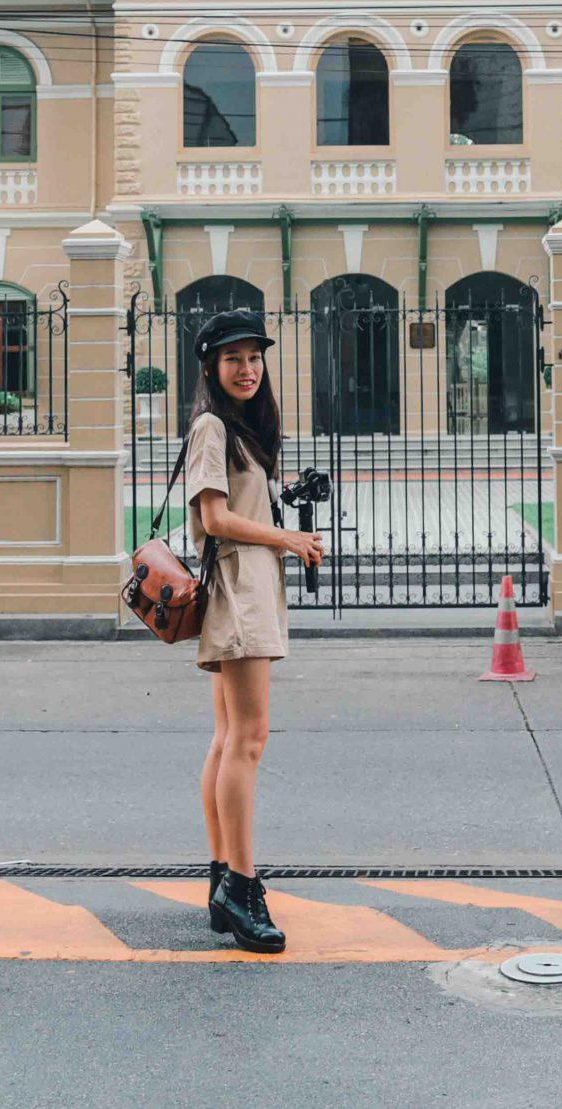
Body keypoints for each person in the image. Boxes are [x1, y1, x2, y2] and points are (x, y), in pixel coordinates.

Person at [182, 308, 324, 953]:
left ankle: (220, 881)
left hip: (248, 586)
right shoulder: (212, 424)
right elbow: (214, 518)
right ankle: (242, 887)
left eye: (256, 358)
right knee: (249, 740)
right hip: (241, 590)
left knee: (226, 738)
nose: (248, 369)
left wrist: (279, 495)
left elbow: (237, 503)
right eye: (234, 358)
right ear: (210, 365)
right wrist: (289, 537)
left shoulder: (237, 430)